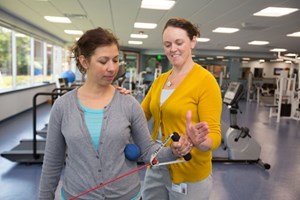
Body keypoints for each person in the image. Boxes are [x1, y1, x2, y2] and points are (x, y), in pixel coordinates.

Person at [38, 27, 192, 200]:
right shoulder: (62, 106)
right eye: (103, 61)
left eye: (116, 60)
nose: (112, 68)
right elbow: (52, 161)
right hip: (77, 195)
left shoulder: (128, 103)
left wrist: (173, 151)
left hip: (127, 195)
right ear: (84, 61)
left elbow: (148, 150)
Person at [141, 17, 222, 200]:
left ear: (193, 41)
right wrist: (121, 100)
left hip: (189, 172)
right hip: (157, 164)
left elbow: (215, 135)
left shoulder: (205, 81)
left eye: (179, 42)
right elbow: (140, 115)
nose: (172, 49)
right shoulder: (160, 80)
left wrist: (199, 142)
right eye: (167, 44)